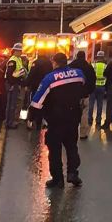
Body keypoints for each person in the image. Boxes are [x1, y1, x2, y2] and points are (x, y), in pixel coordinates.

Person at [31, 53, 85, 188]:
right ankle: (73, 173)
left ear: (54, 63)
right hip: (73, 117)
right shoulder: (78, 74)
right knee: (72, 146)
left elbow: (37, 102)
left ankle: (58, 179)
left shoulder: (49, 78)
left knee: (55, 149)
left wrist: (33, 117)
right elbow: (84, 87)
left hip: (56, 119)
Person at [67, 51, 96, 139]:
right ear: (84, 57)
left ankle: (69, 132)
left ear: (76, 56)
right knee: (84, 114)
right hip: (84, 95)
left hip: (71, 95)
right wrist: (89, 91)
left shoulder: (70, 67)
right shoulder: (88, 67)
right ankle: (83, 134)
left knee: (70, 113)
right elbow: (92, 80)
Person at [4, 43, 29, 129]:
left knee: (13, 104)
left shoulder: (18, 59)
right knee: (11, 105)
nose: (21, 52)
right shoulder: (13, 60)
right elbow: (9, 75)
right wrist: (12, 84)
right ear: (15, 51)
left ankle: (10, 122)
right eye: (19, 51)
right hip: (13, 84)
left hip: (15, 84)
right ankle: (9, 123)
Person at [25, 55, 52, 131]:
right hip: (46, 88)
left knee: (34, 104)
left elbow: (31, 74)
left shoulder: (36, 63)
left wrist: (26, 84)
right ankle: (40, 122)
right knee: (44, 104)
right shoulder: (49, 63)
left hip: (36, 87)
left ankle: (31, 121)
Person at [88, 51, 107, 126]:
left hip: (93, 87)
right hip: (102, 86)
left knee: (91, 104)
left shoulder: (93, 65)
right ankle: (98, 120)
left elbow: (90, 76)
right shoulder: (105, 66)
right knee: (100, 104)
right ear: (103, 57)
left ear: (97, 57)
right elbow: (107, 76)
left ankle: (90, 119)